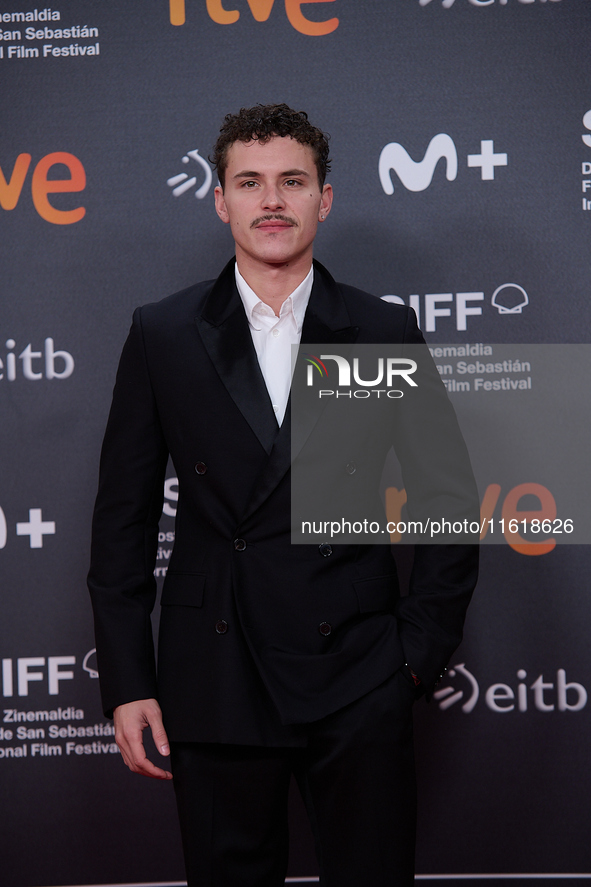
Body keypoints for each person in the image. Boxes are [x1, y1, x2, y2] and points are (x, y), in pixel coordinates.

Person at [88, 103, 478, 887]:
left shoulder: (379, 329)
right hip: (214, 673)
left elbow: (446, 498)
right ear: (220, 198)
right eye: (250, 181)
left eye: (291, 181)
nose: (271, 200)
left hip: (358, 670)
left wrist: (411, 658)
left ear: (322, 199)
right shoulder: (162, 332)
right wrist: (129, 681)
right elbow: (121, 520)